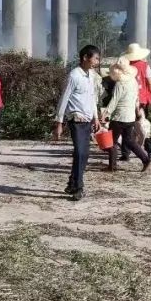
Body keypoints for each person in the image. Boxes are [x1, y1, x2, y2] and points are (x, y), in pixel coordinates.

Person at [53, 45, 102, 201]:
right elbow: (64, 99)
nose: (97, 62)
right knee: (80, 152)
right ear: (85, 58)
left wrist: (96, 117)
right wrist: (59, 123)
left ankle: (72, 183)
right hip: (76, 120)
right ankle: (79, 188)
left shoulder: (91, 76)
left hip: (87, 120)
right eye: (95, 58)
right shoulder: (74, 76)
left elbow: (92, 98)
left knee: (83, 154)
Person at [102, 60, 151, 172]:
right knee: (129, 140)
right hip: (130, 116)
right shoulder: (133, 81)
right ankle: (145, 159)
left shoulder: (120, 84)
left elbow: (114, 101)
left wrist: (106, 113)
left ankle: (112, 166)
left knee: (112, 141)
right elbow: (136, 98)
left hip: (119, 117)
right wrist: (136, 111)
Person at [120, 43, 151, 160]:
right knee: (142, 125)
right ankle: (150, 149)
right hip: (142, 99)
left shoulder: (125, 66)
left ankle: (125, 152)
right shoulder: (145, 66)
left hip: (128, 99)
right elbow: (150, 83)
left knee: (127, 125)